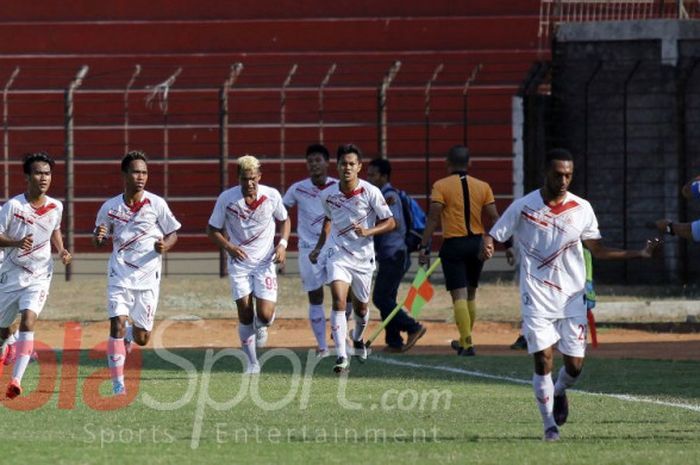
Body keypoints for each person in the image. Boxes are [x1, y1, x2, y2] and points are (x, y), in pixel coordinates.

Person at [482, 148, 659, 441]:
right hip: (536, 297)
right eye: (558, 174)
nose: (564, 180)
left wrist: (639, 253)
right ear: (546, 173)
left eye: (568, 175)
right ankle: (549, 427)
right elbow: (495, 233)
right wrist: (487, 243)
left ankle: (560, 390)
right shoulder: (524, 206)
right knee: (543, 359)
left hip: (571, 299)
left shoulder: (582, 208)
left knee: (574, 366)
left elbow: (598, 250)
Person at [93, 150, 181, 396]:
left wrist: (166, 245)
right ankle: (118, 383)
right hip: (119, 275)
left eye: (144, 172)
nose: (141, 176)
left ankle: (130, 337)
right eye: (136, 171)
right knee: (117, 324)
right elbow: (99, 237)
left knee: (143, 337)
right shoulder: (110, 207)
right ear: (125, 174)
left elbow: (173, 232)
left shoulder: (157, 204)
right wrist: (99, 237)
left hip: (148, 278)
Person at [418, 145, 514, 356]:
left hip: (454, 245)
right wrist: (508, 245)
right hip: (477, 245)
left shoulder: (440, 186)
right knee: (471, 293)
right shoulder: (483, 186)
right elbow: (496, 218)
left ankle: (467, 343)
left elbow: (433, 218)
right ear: (469, 163)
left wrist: (424, 246)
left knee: (458, 295)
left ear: (447, 163)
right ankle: (464, 340)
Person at [310, 144, 395, 373]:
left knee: (361, 309)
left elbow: (390, 222)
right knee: (338, 300)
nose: (347, 168)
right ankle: (341, 356)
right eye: (343, 164)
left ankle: (357, 338)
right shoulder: (327, 195)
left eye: (351, 164)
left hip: (363, 259)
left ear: (358, 167)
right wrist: (319, 247)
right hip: (338, 255)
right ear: (336, 167)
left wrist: (368, 232)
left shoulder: (371, 192)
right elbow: (329, 220)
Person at [207, 155, 290, 374]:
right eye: (245, 179)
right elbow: (212, 229)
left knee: (263, 315)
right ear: (238, 178)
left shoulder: (271, 195)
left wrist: (282, 244)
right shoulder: (227, 199)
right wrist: (229, 247)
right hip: (239, 264)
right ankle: (252, 363)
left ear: (259, 177)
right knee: (245, 313)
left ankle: (263, 325)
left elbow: (285, 219)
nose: (249, 183)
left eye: (253, 178)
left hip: (265, 262)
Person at [0, 152, 72, 399]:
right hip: (10, 275)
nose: (44, 178)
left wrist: (61, 249)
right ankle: (8, 344)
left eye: (48, 173)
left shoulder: (56, 206)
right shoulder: (13, 206)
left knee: (29, 320)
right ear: (27, 177)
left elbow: (55, 229)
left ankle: (16, 381)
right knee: (2, 328)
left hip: (40, 274)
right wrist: (17, 242)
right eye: (39, 173)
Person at [283, 144, 338, 357]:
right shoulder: (298, 188)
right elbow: (281, 211)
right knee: (315, 296)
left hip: (333, 248)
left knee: (341, 295)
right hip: (308, 250)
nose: (314, 164)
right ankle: (323, 346)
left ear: (327, 163)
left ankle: (342, 339)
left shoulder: (337, 186)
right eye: (310, 161)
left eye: (318, 160)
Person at [367, 158, 426, 352]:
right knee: (388, 297)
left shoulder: (388, 196)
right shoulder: (381, 195)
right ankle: (394, 341)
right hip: (389, 255)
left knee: (380, 298)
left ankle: (412, 326)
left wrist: (370, 231)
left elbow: (395, 223)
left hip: (395, 254)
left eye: (373, 175)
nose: (369, 179)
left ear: (384, 176)